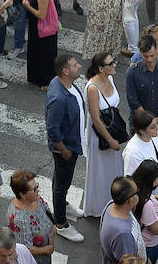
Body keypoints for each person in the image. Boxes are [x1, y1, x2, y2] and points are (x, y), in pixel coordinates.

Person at [42, 53, 86, 243]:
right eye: (75, 65)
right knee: (62, 184)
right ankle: (61, 224)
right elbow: (53, 129)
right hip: (65, 149)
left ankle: (63, 206)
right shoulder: (58, 98)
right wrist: (64, 149)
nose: (80, 66)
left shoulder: (63, 84)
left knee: (61, 181)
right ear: (65, 71)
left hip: (71, 143)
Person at [83, 52, 126, 219]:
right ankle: (98, 207)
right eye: (111, 63)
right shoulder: (92, 88)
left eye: (113, 61)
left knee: (112, 170)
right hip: (100, 136)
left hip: (111, 132)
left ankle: (112, 201)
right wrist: (110, 140)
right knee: (99, 172)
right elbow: (96, 120)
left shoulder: (111, 79)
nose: (115, 65)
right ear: (101, 69)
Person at [99, 177, 140, 264]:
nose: (138, 194)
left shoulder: (112, 204)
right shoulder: (123, 234)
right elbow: (128, 261)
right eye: (137, 192)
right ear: (130, 200)